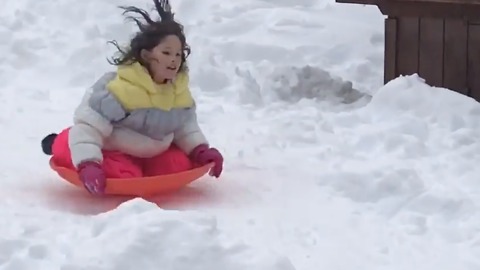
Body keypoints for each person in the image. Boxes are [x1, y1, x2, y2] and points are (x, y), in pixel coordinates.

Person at [40, 0, 223, 195]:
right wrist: (88, 164)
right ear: (146, 55)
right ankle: (59, 143)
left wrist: (200, 151)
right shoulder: (120, 90)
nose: (174, 60)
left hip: (151, 151)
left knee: (178, 165)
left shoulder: (178, 92)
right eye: (166, 52)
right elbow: (89, 128)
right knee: (121, 174)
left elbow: (185, 128)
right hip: (111, 148)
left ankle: (140, 168)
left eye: (178, 54)